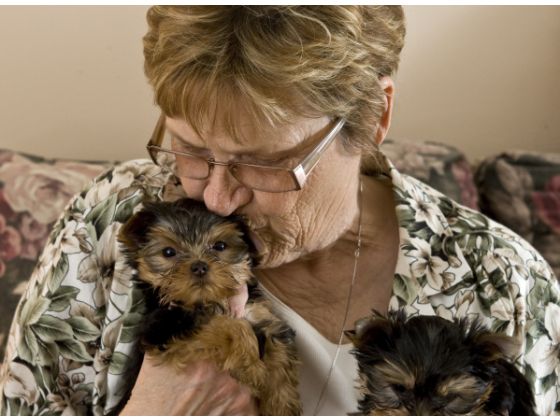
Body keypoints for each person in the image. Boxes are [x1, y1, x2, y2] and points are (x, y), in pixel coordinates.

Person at [0, 6, 558, 416]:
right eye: (191, 149)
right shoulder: (109, 221)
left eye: (264, 163)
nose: (216, 198)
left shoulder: (500, 279)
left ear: (375, 118)